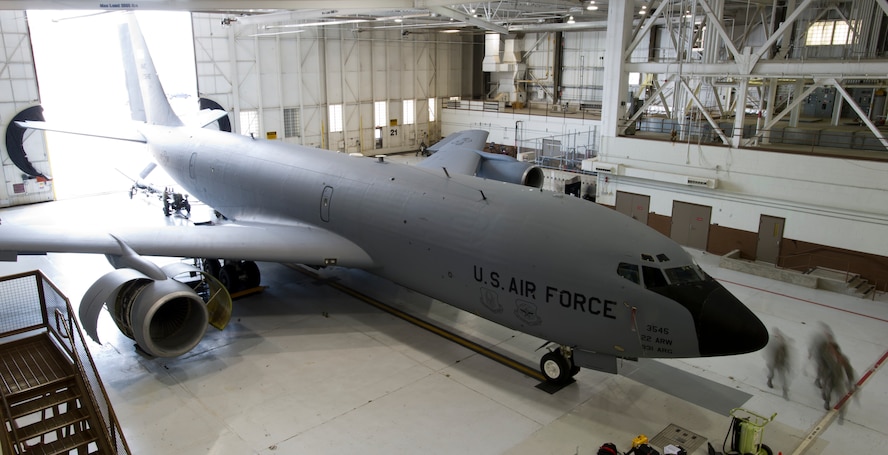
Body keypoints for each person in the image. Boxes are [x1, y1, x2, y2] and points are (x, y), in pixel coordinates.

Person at [765, 327, 791, 398]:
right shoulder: (771, 342)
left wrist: (787, 363)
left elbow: (786, 354)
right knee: (772, 374)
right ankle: (769, 380)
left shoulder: (783, 344)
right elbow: (768, 352)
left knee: (782, 376)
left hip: (780, 363)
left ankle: (784, 390)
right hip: (772, 362)